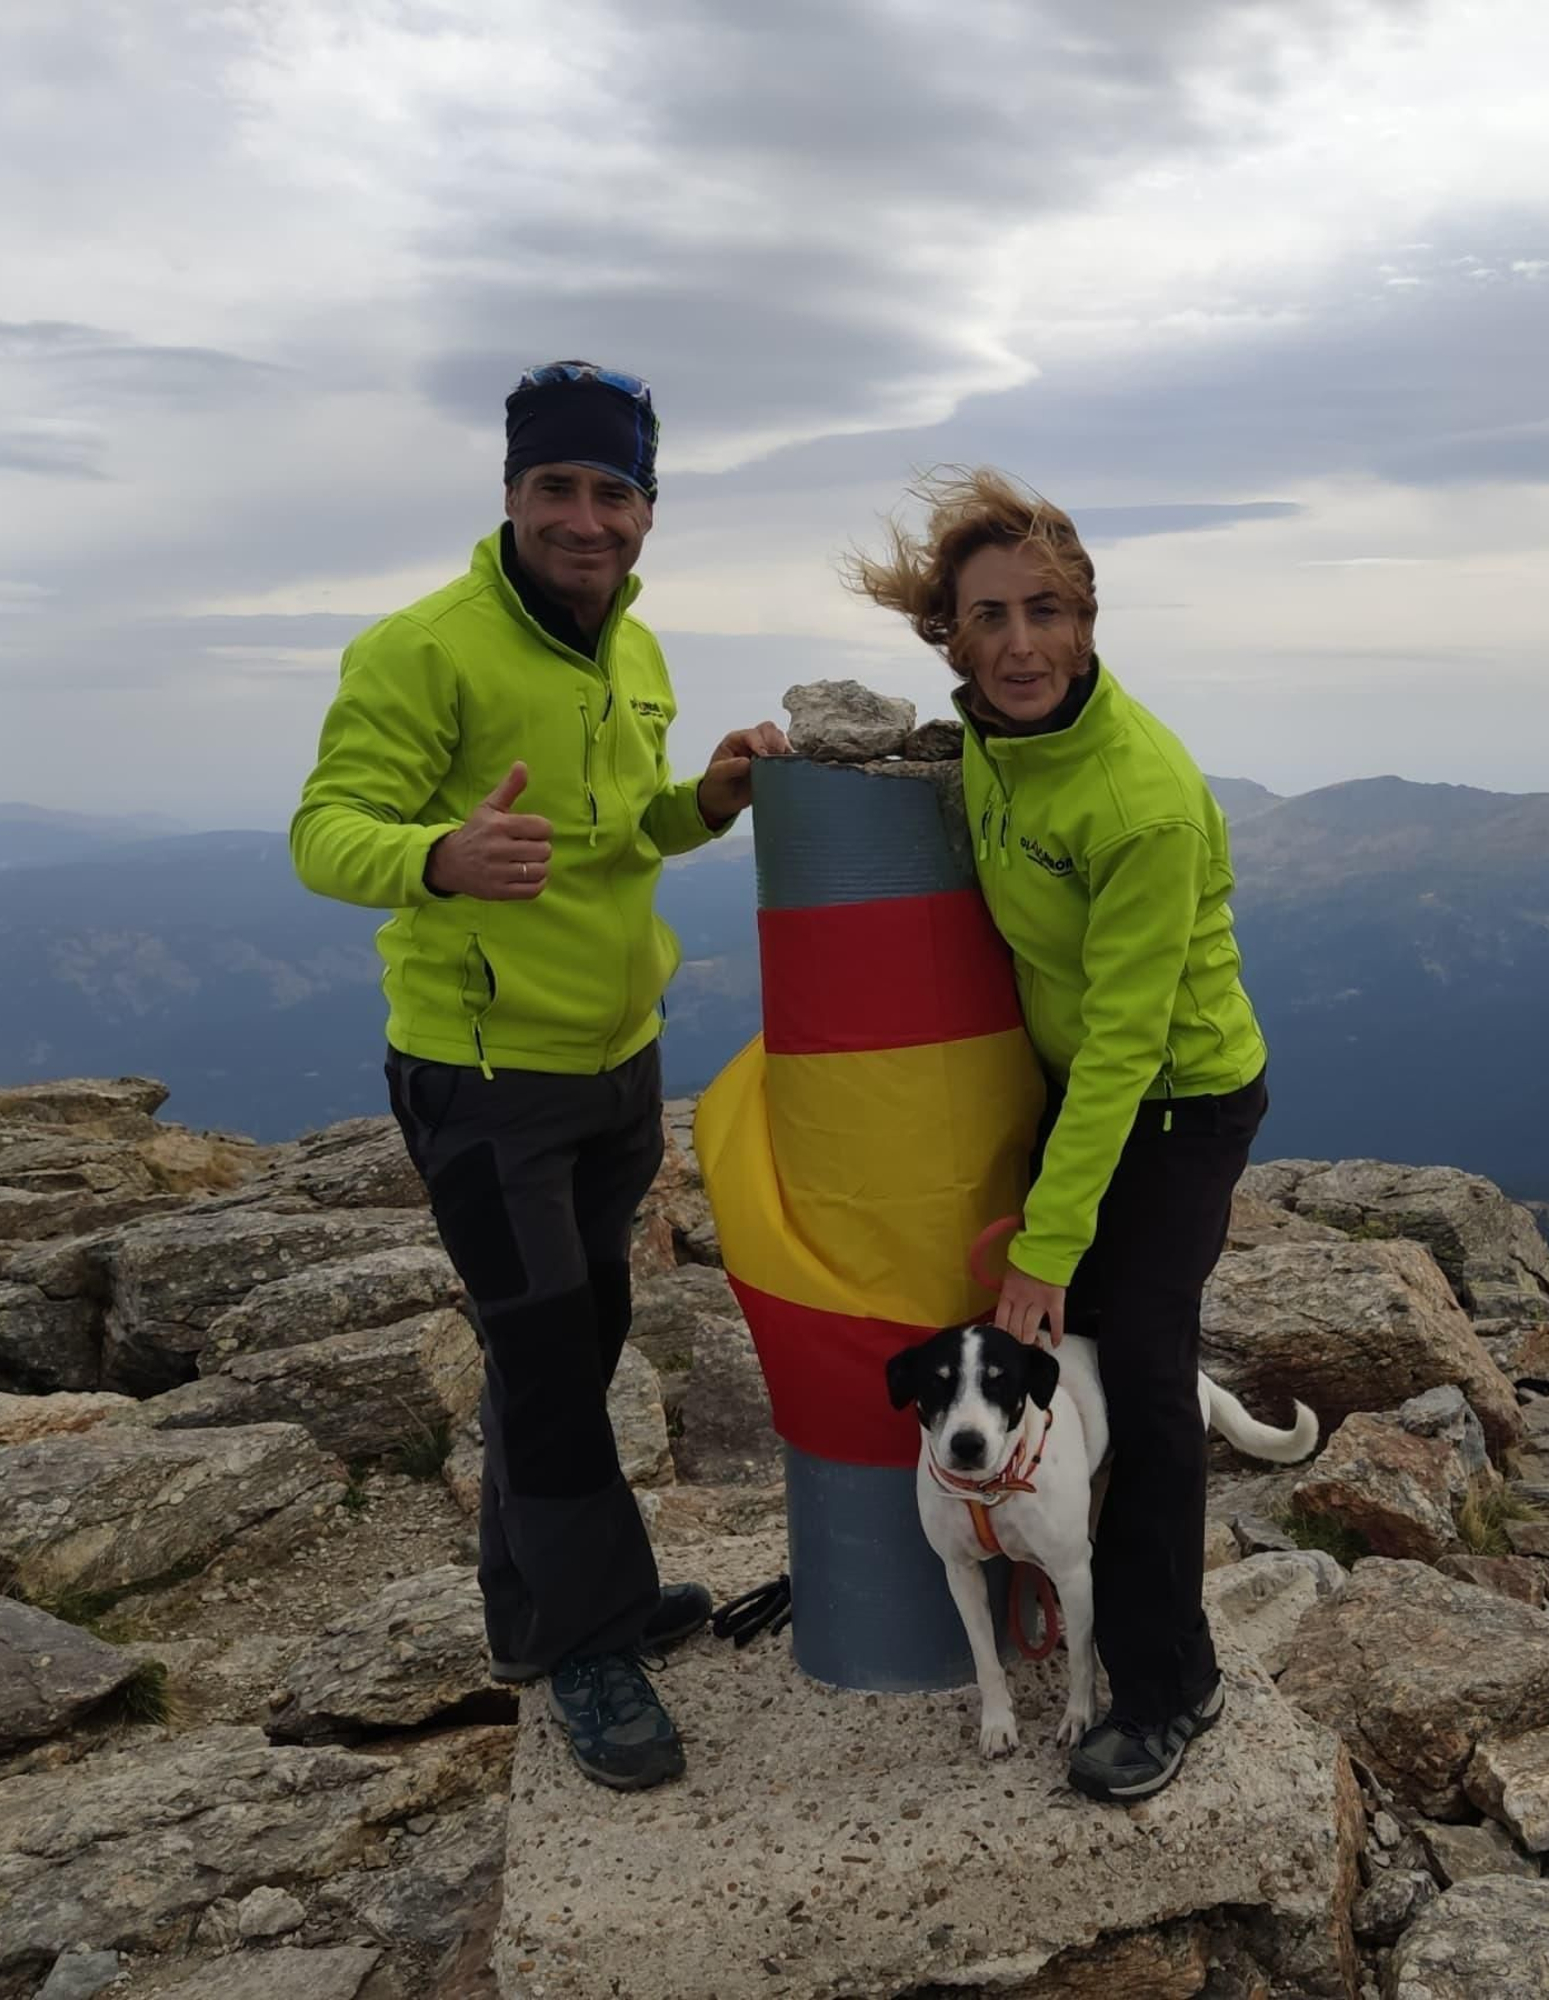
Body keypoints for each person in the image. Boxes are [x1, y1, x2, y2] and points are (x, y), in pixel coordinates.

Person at [290, 359, 787, 1792]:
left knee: (568, 1353)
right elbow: (327, 829)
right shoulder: (423, 649)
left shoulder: (633, 653)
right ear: (511, 497)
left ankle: (562, 1610)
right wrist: (435, 857)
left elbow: (619, 834)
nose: (586, 516)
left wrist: (699, 803)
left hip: (616, 1068)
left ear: (646, 509)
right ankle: (586, 1649)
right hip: (485, 1077)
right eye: (556, 488)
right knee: (554, 1374)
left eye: (612, 490)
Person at [847, 468, 1268, 1805]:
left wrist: (1048, 1243)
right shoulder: (992, 738)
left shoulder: (1138, 794)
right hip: (1084, 1089)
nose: (1020, 642)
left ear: (1086, 624)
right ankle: (1046, 1576)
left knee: (1140, 1379)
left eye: (1046, 612)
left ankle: (1166, 1683)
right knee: (1053, 1358)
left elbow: (1134, 1049)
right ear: (951, 637)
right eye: (989, 617)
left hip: (1179, 1098)